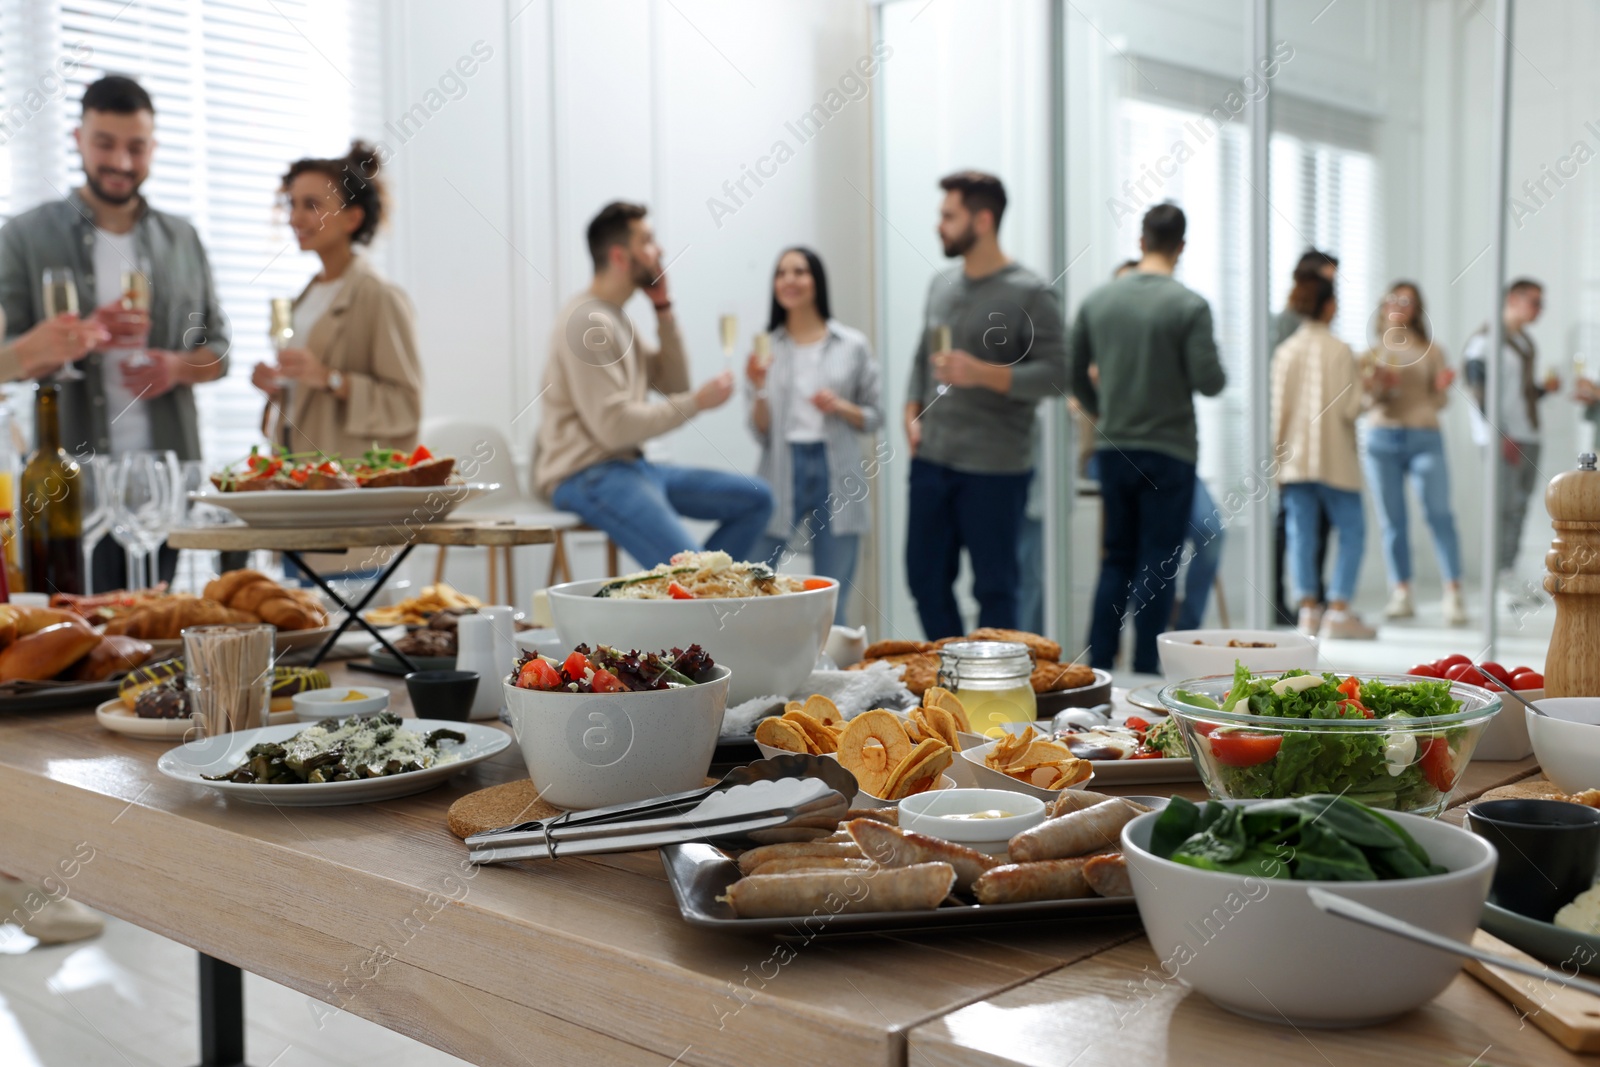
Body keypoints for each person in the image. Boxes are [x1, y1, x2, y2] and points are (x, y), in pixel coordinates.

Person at [0, 75, 229, 591]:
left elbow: (218, 353)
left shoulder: (182, 239)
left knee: (155, 639)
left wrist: (175, 366)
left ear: (154, 148)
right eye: (105, 143)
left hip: (165, 489)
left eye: (136, 147)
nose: (122, 163)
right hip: (71, 493)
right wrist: (63, 340)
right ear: (78, 138)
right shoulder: (23, 236)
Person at [534, 201, 772, 567]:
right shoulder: (588, 322)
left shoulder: (614, 318)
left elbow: (673, 384)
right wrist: (697, 402)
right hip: (587, 475)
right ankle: (699, 593)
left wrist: (663, 310)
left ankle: (706, 589)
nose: (658, 250)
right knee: (689, 570)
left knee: (758, 500)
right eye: (647, 240)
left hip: (630, 468)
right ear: (619, 255)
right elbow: (615, 429)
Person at [903, 171, 1067, 639]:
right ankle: (953, 673)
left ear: (984, 219)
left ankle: (995, 692)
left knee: (996, 589)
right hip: (932, 461)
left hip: (996, 469)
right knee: (924, 579)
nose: (940, 225)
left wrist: (981, 373)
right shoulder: (941, 284)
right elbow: (922, 357)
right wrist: (909, 409)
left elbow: (1057, 375)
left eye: (948, 216)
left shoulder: (1030, 291)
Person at [1072, 204, 1226, 673]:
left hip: (1115, 449)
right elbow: (1211, 381)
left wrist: (1101, 409)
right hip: (1169, 452)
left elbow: (1074, 374)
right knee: (1160, 566)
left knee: (1116, 558)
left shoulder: (1099, 302)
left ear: (1141, 243)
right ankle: (1143, 671)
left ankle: (1096, 670)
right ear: (1181, 247)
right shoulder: (1189, 306)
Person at [251, 142, 422, 461]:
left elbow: (406, 407)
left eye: (311, 205)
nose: (295, 218)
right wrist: (273, 388)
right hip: (299, 474)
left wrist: (330, 379)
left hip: (348, 483)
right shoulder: (305, 298)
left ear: (352, 218)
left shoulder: (380, 298)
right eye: (293, 204)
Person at [745, 247, 879, 626]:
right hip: (781, 467)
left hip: (836, 469)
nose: (790, 279)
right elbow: (760, 430)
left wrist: (841, 406)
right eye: (781, 272)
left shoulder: (851, 345)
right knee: (754, 580)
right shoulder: (765, 347)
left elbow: (874, 416)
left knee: (832, 592)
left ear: (816, 280)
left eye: (799, 271)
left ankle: (829, 674)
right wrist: (758, 387)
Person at [1273, 274, 1375, 639]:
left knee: (1301, 535)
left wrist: (1275, 462)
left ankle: (1307, 611)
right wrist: (1371, 389)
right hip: (1337, 462)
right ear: (1329, 305)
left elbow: (1277, 413)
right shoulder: (1341, 350)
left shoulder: (1285, 351)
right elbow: (1350, 409)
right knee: (1352, 532)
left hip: (1295, 462)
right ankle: (1339, 610)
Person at [1360, 282, 1467, 626]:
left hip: (1424, 437)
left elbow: (1439, 402)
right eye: (1393, 298)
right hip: (1380, 439)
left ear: (1416, 309)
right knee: (1393, 521)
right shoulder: (1372, 352)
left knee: (1439, 514)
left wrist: (1441, 389)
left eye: (1407, 300)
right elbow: (1364, 404)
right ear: (1383, 305)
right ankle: (1402, 592)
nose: (1399, 304)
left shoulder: (1432, 351)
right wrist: (1380, 388)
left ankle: (1453, 592)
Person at [1464, 278, 1555, 607]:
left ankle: (1508, 574)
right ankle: (1497, 580)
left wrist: (1546, 390)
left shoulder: (1524, 343)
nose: (1540, 310)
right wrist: (1499, 433)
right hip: (1503, 437)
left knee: (1518, 508)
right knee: (1501, 508)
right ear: (1514, 299)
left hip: (1528, 434)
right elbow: (1478, 391)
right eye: (1535, 302)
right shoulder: (1485, 342)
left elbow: (1522, 392)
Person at [1272, 249, 1338, 626]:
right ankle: (1287, 599)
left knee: (1319, 522)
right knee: (1289, 524)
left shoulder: (1324, 330)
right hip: (1294, 441)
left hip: (1321, 441)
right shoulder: (1285, 325)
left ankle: (1314, 597)